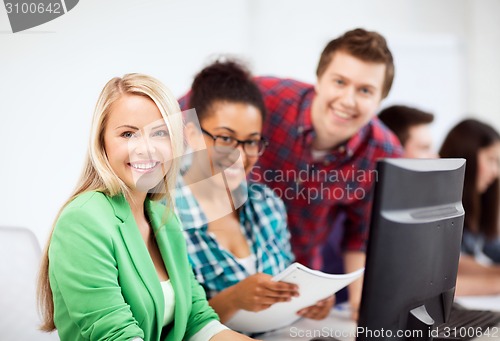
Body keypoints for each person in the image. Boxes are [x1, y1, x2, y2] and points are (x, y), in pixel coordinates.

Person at [37, 73, 255, 341]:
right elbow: (116, 335)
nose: (147, 149)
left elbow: (198, 320)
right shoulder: (83, 220)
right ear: (102, 142)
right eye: (128, 134)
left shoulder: (162, 216)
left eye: (160, 133)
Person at [250, 28, 403, 316]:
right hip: (224, 265)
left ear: (380, 100)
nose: (348, 100)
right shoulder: (265, 96)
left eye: (365, 90)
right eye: (340, 82)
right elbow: (183, 119)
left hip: (295, 288)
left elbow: (361, 236)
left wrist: (361, 307)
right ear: (319, 79)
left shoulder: (384, 153)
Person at [175, 60, 335, 325]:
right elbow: (168, 327)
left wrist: (309, 300)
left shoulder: (267, 204)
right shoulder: (162, 217)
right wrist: (233, 299)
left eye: (251, 141)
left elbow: (285, 293)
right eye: (225, 138)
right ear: (192, 134)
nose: (240, 156)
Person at [439, 118, 500, 295]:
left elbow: (494, 248)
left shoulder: (476, 206)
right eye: (491, 160)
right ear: (468, 155)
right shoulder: (438, 207)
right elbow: (451, 264)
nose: (496, 171)